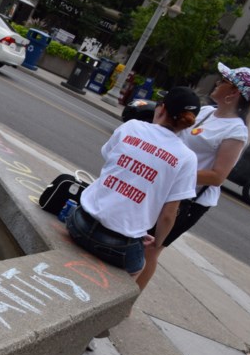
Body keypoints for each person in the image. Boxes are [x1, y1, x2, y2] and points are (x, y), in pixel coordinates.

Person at [135, 64, 250, 291]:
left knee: (151, 249)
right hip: (165, 188)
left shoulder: (236, 131)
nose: (217, 82)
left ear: (233, 93)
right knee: (136, 240)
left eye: (223, 81)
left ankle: (127, 300)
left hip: (189, 201)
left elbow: (217, 176)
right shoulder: (205, 113)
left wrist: (174, 173)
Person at [66, 87, 201, 279]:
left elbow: (109, 159)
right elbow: (168, 215)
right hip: (120, 245)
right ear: (187, 124)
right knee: (139, 267)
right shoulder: (187, 158)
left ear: (161, 109)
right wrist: (156, 242)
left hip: (79, 223)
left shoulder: (131, 127)